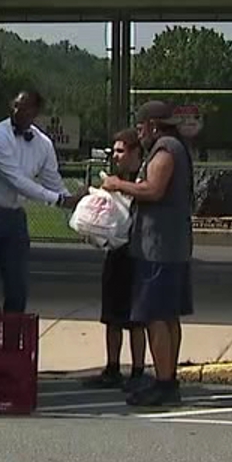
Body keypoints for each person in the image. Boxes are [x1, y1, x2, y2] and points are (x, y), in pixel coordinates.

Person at [101, 100, 194, 408]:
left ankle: (166, 383)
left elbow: (154, 190)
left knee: (156, 316)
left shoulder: (166, 149)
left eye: (141, 128)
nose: (139, 134)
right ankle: (166, 379)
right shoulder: (174, 147)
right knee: (167, 316)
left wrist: (119, 184)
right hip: (170, 245)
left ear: (153, 125)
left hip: (160, 249)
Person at [0, 90, 78, 314]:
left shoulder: (43, 143)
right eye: (16, 105)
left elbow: (53, 180)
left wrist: (76, 209)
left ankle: (12, 339)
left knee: (18, 285)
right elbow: (15, 180)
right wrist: (59, 200)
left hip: (15, 216)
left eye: (26, 107)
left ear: (36, 112)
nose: (18, 111)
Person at [87, 128, 148, 391]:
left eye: (121, 151)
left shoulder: (145, 175)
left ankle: (137, 370)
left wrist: (121, 188)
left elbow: (148, 194)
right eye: (114, 151)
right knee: (111, 315)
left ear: (135, 152)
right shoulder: (113, 178)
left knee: (137, 318)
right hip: (115, 251)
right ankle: (112, 368)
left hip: (138, 252)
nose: (116, 156)